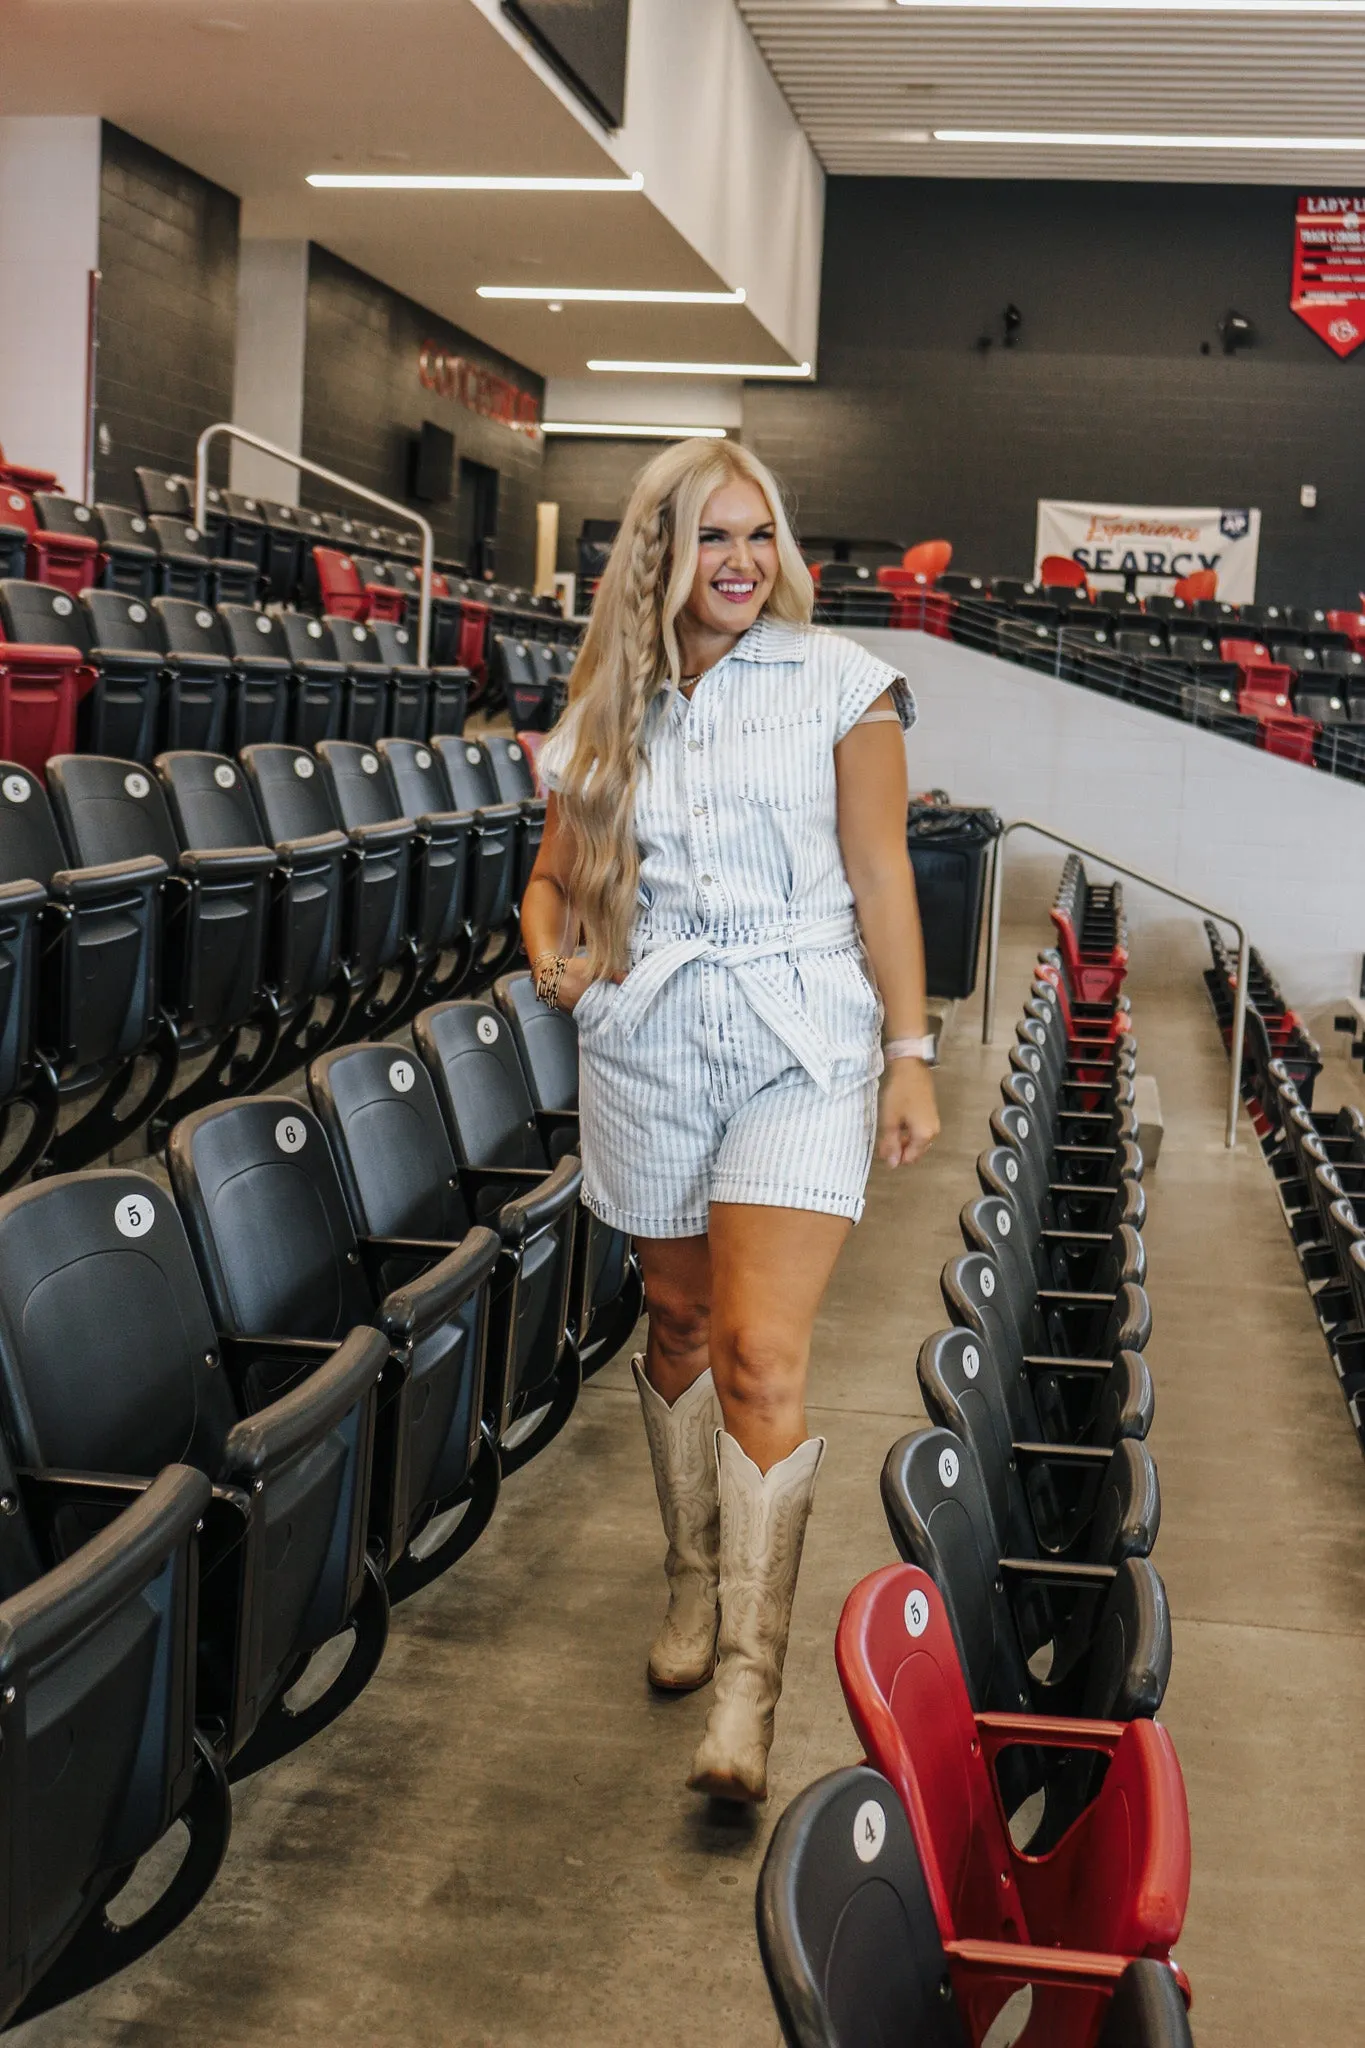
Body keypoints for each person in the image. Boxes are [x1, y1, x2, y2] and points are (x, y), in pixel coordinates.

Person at [520, 440, 939, 1804]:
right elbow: (556, 881)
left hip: (801, 1037)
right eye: (713, 538)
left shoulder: (844, 684)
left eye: (759, 535)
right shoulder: (608, 702)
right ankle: (693, 1576)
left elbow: (881, 875)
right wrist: (554, 952)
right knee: (683, 1327)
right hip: (648, 1041)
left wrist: (909, 1052)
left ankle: (752, 1690)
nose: (743, 562)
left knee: (763, 1348)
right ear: (661, 553)